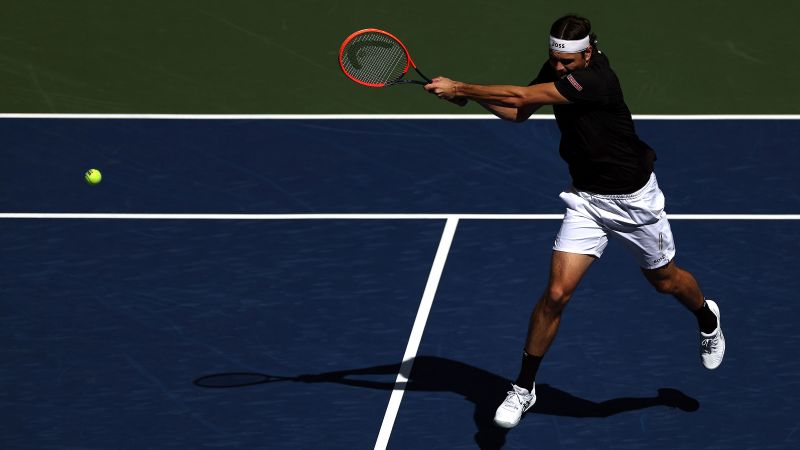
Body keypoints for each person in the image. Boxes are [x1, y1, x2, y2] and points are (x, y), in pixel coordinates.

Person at [424, 14, 725, 429]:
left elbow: (515, 92)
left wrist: (461, 87)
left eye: (566, 63)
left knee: (666, 281)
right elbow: (519, 108)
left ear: (588, 52)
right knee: (557, 293)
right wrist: (472, 99)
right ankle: (524, 388)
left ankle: (706, 317)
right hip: (585, 200)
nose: (559, 68)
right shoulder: (561, 68)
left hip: (634, 202)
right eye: (554, 61)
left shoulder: (598, 79)